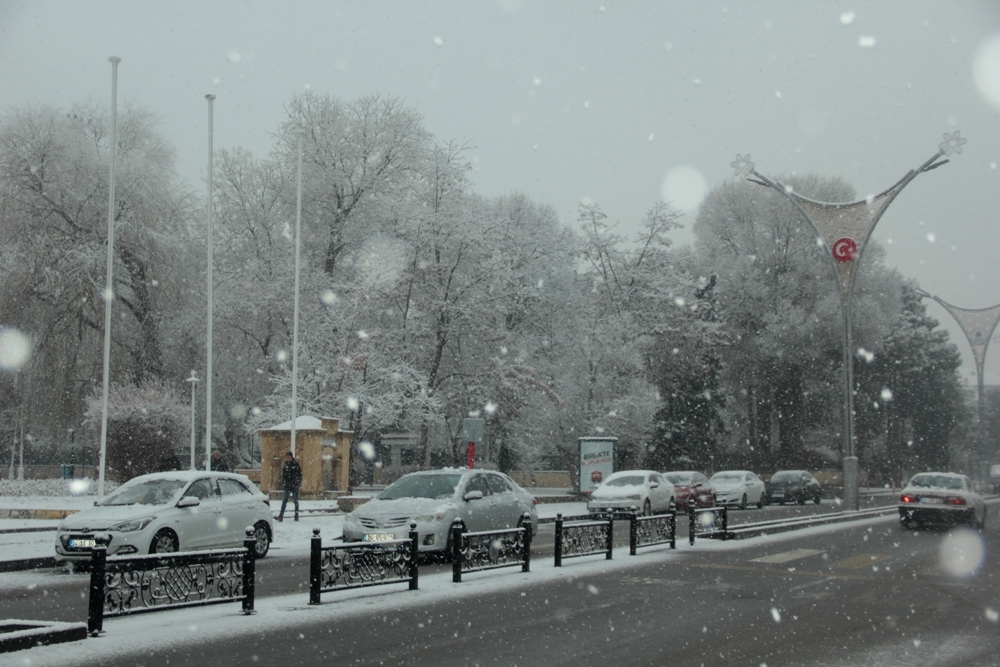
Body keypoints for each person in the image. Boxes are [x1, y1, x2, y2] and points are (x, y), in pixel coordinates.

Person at [277, 451, 302, 522]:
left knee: (295, 500)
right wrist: (284, 482)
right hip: (287, 485)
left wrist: (296, 484)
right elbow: (284, 475)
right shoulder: (285, 465)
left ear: (291, 457)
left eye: (288, 457)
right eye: (286, 457)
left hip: (294, 485)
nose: (287, 459)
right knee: (284, 500)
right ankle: (281, 515)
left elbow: (299, 475)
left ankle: (296, 515)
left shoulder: (296, 464)